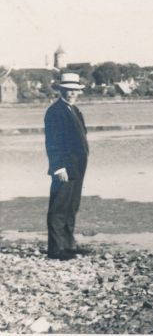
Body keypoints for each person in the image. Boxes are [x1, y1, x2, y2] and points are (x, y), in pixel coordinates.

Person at [44, 72, 90, 260]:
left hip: (77, 166)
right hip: (64, 167)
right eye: (68, 90)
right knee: (59, 206)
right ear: (61, 90)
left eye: (75, 90)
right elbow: (52, 142)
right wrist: (58, 167)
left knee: (72, 205)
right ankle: (56, 249)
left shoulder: (74, 110)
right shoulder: (55, 111)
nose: (72, 93)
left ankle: (68, 244)